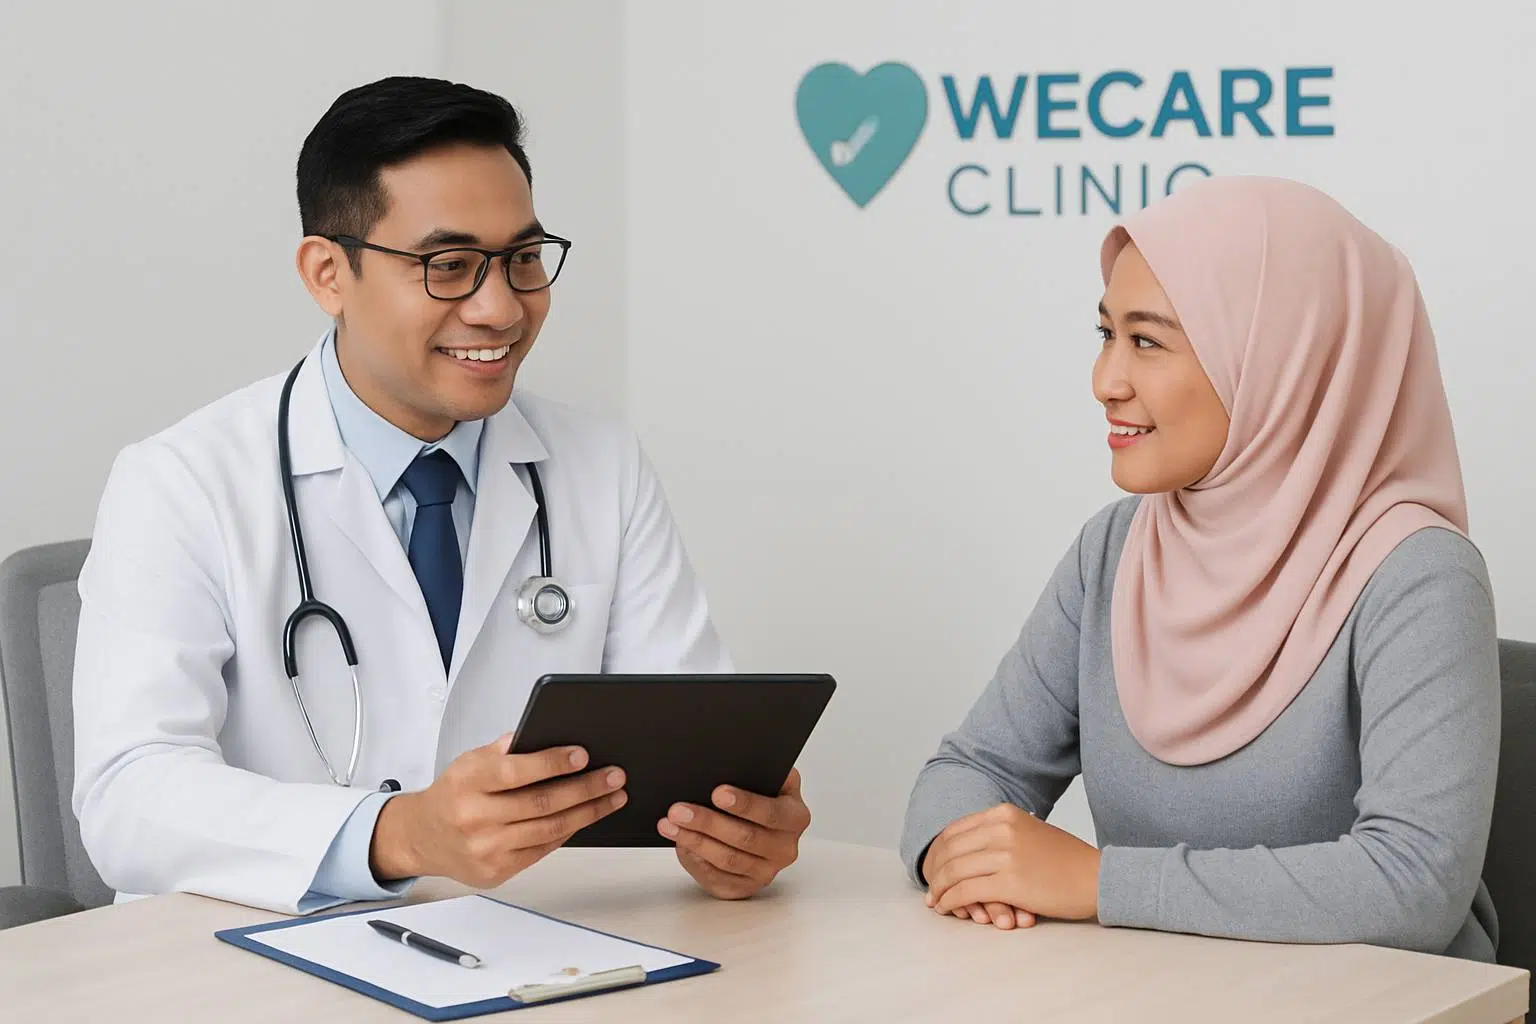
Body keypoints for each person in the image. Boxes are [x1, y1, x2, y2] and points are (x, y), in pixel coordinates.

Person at [71, 76, 810, 916]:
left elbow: (693, 736)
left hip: (537, 949)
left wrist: (736, 831)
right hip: (254, 963)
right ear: (327, 273)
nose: (500, 307)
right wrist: (400, 834)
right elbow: (127, 798)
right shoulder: (184, 482)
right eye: (448, 266)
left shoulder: (599, 463)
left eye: (523, 259)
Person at [900, 175, 1501, 960]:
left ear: (1281, 358)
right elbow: (969, 770)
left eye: (1147, 341)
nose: (1105, 381)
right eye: (1105, 333)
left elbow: (1414, 883)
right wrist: (970, 859)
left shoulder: (1416, 575)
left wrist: (1098, 884)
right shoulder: (1113, 553)